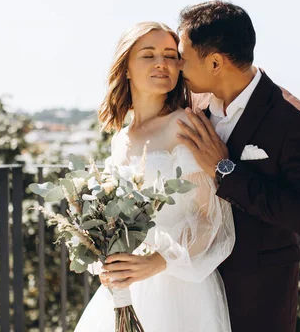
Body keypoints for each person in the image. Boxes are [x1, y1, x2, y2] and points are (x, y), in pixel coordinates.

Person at [176, 0, 300, 332]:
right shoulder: (190, 106)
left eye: (183, 59)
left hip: (256, 297)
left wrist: (226, 169)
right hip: (190, 289)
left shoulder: (294, 120)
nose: (178, 67)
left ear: (215, 62)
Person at [74, 21, 235, 332]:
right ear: (127, 69)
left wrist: (157, 262)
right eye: (148, 55)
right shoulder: (120, 139)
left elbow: (211, 219)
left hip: (181, 288)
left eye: (170, 55)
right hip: (130, 287)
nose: (162, 63)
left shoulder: (186, 125)